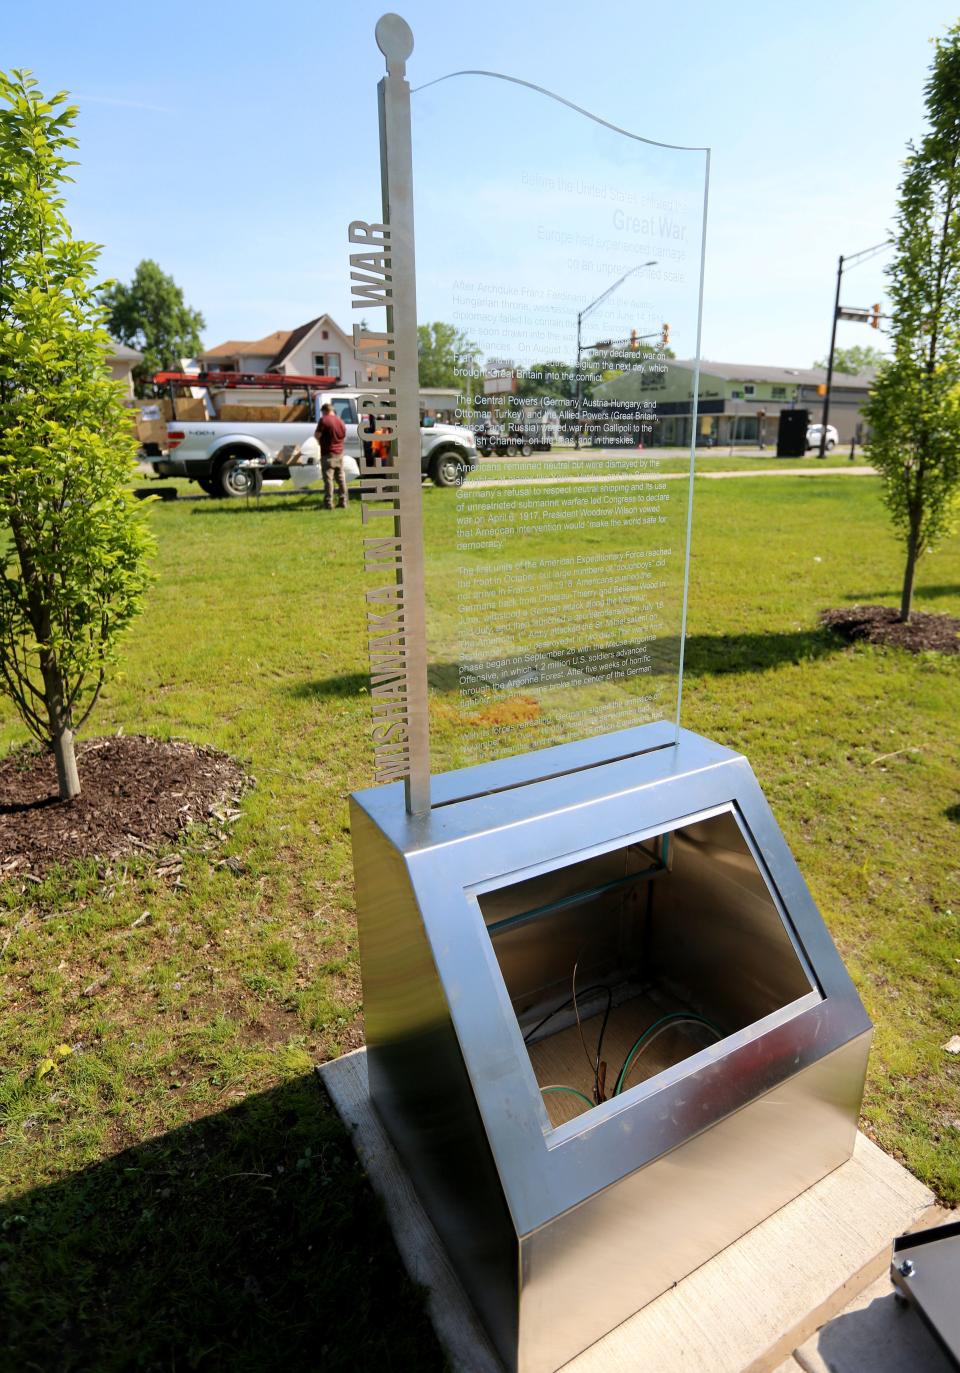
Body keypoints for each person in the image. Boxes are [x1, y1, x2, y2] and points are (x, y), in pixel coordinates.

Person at [315, 401, 348, 509]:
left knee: (328, 479)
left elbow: (317, 435)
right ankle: (343, 501)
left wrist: (320, 441)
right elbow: (344, 436)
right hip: (339, 454)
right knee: (341, 479)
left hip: (327, 453)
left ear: (325, 411)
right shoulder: (341, 421)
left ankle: (329, 503)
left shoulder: (323, 420)